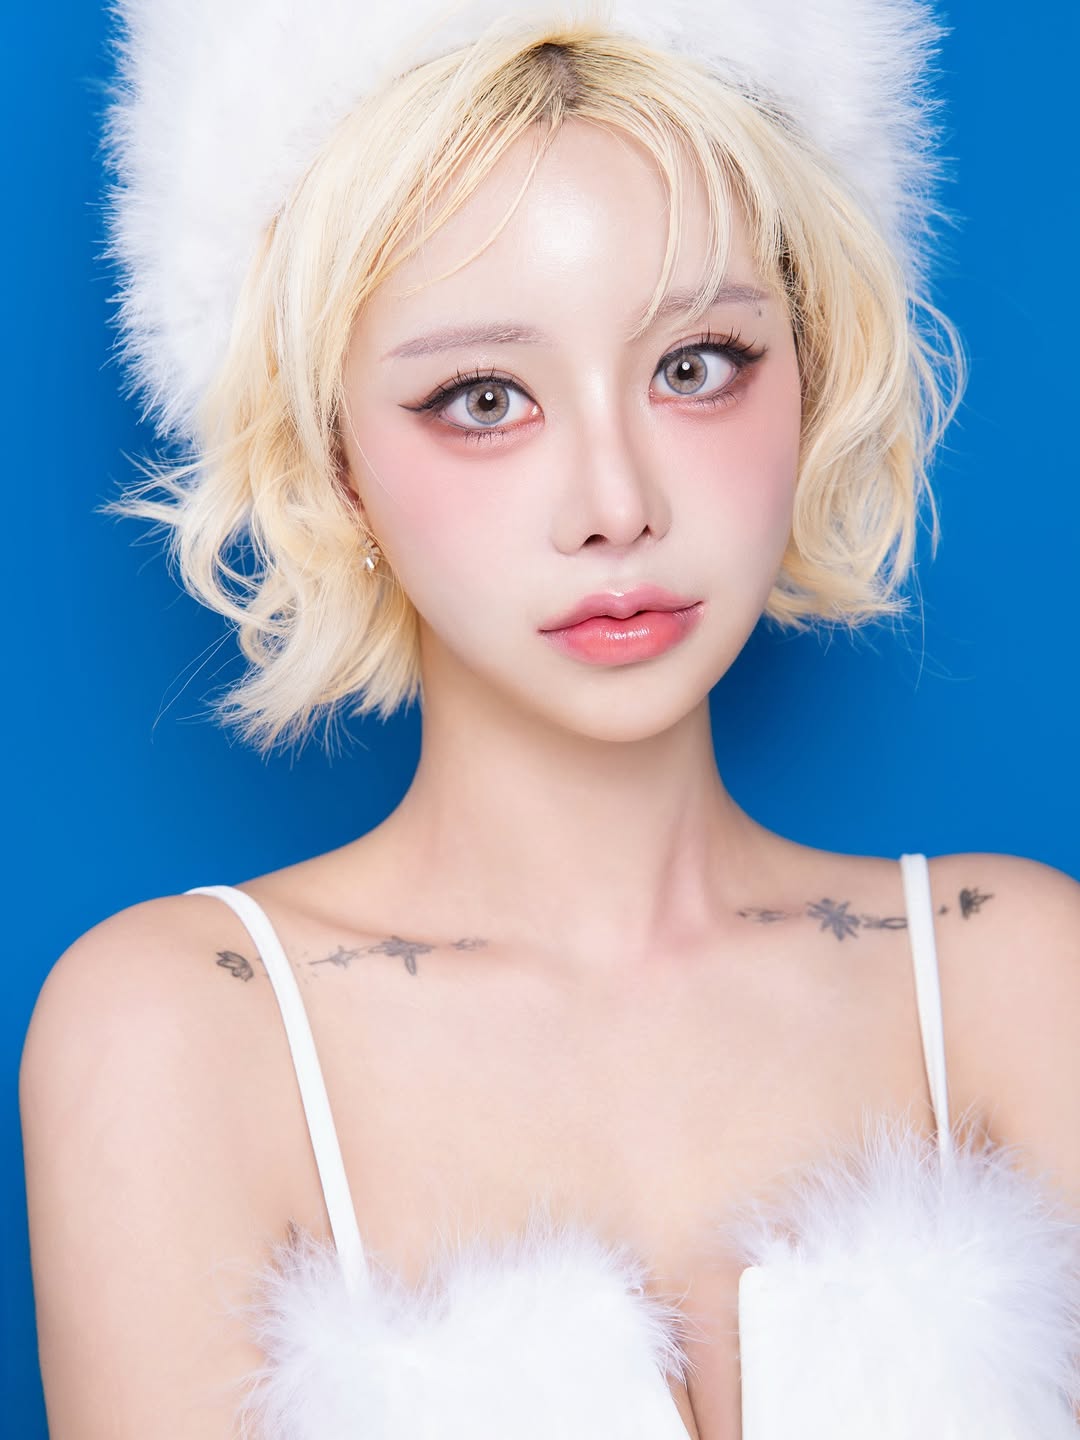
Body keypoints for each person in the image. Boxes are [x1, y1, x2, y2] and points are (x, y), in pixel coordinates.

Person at [19, 0, 1080, 1435]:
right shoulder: (182, 1030)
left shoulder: (1017, 978)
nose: (616, 503)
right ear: (334, 459)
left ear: (812, 370)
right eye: (482, 399)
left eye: (695, 365)